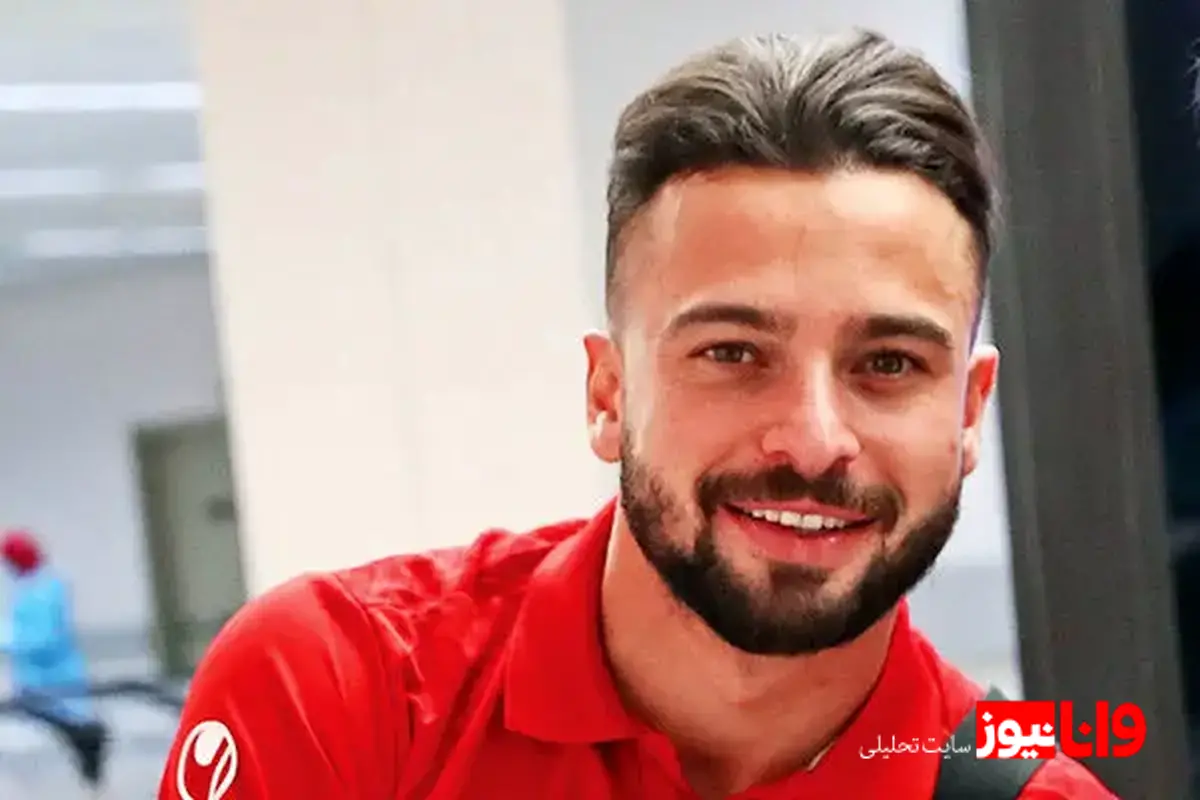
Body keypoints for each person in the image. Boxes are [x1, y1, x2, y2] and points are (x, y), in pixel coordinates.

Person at [159, 31, 1118, 798]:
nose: (815, 439)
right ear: (609, 394)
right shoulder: (346, 695)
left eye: (890, 364)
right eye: (733, 353)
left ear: (968, 414)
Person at [1, 529, 109, 797]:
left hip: (55, 679)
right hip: (36, 682)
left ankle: (92, 781)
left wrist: (7, 638)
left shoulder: (44, 589)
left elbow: (41, 639)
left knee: (75, 732)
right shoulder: (32, 586)